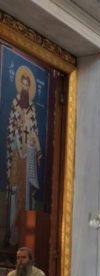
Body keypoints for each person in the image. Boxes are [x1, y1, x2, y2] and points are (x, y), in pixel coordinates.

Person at [6, 67, 41, 244]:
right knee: (15, 191)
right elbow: (10, 128)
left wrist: (35, 146)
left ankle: (25, 238)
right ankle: (12, 233)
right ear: (20, 85)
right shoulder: (15, 103)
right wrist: (18, 128)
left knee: (26, 194)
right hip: (17, 154)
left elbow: (34, 130)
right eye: (24, 85)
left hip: (28, 156)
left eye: (28, 86)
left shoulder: (32, 107)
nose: (26, 88)